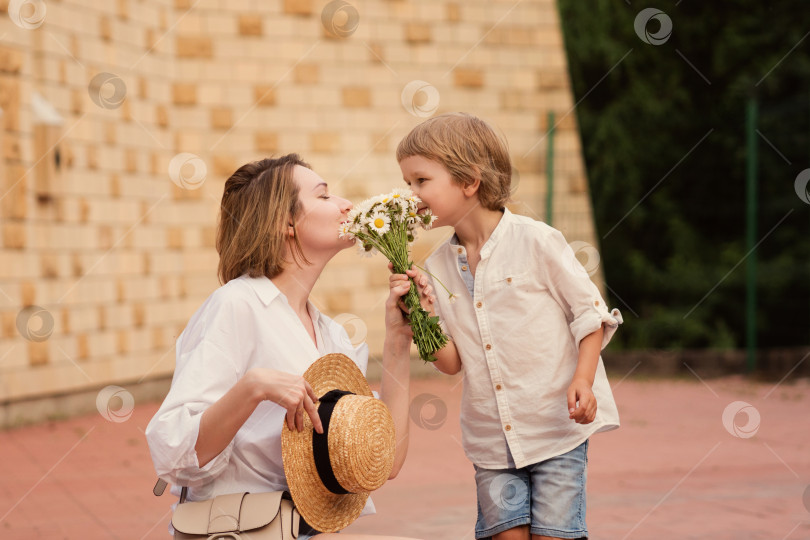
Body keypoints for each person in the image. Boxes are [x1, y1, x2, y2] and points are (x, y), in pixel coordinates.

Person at [145, 154, 427, 540]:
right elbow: (173, 454)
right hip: (237, 528)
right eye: (324, 196)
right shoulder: (237, 304)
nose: (346, 204)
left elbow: (384, 462)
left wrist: (397, 342)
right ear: (285, 222)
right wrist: (253, 387)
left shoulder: (332, 337)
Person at [396, 113, 623, 540]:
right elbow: (451, 363)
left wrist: (584, 379)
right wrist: (420, 319)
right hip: (490, 441)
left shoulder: (537, 241)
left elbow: (590, 315)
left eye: (421, 181)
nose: (411, 194)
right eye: (408, 182)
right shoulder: (436, 267)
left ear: (469, 181)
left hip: (556, 430)